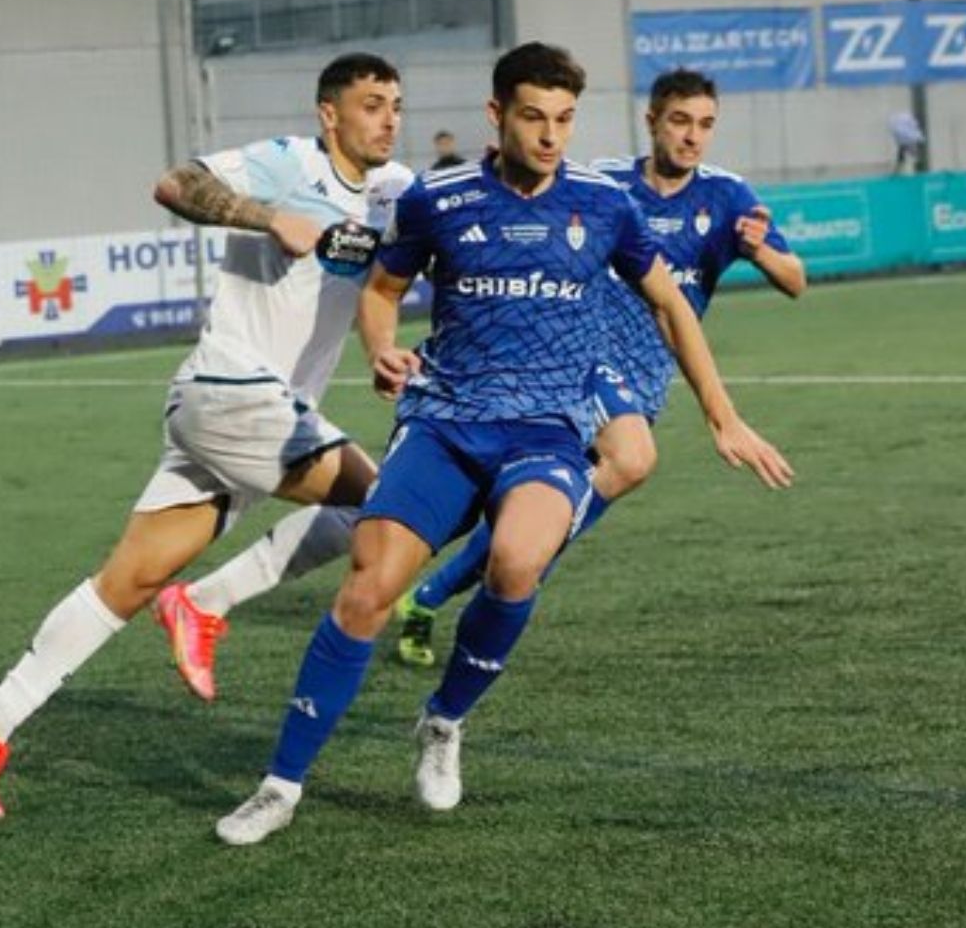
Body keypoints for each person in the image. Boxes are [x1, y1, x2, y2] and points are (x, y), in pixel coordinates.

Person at [213, 42, 794, 846]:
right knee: (368, 585)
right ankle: (280, 784)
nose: (551, 136)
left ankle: (444, 720)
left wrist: (723, 417)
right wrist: (380, 348)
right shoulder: (438, 200)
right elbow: (381, 292)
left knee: (517, 560)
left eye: (563, 119)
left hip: (547, 427)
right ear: (497, 114)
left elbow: (670, 304)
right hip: (444, 421)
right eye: (533, 117)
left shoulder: (603, 205)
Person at [0, 53, 415, 820]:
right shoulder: (288, 163)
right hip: (232, 388)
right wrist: (268, 217)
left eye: (395, 103)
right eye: (370, 104)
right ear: (330, 114)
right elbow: (174, 183)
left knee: (124, 583)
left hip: (247, 414)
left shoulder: (397, 194)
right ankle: (207, 604)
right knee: (392, 505)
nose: (388, 117)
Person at [393, 66, 808, 667]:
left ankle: (432, 590)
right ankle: (445, 583)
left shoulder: (727, 195)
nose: (693, 137)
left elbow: (796, 282)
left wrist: (760, 248)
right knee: (634, 458)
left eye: (706, 126)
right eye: (680, 122)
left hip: (646, 379)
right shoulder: (607, 185)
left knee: (531, 511)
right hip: (578, 363)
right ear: (652, 122)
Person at [889, 110, 925, 175]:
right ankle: (898, 169)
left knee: (904, 152)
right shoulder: (910, 137)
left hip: (905, 133)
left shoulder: (912, 137)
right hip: (904, 132)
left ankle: (898, 169)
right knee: (904, 152)